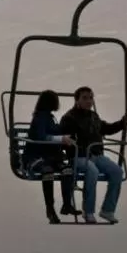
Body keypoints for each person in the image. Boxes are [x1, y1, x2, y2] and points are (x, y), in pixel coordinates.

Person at [59, 86, 127, 224]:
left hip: (97, 155)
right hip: (79, 157)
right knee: (92, 171)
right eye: (85, 98)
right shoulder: (69, 118)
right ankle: (88, 211)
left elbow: (107, 129)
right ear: (77, 100)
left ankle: (107, 210)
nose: (88, 101)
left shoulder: (94, 116)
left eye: (91, 98)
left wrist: (122, 124)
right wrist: (74, 147)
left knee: (117, 171)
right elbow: (64, 139)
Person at [22, 90, 81, 224]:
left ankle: (66, 204)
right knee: (47, 172)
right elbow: (41, 137)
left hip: (51, 157)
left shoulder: (50, 118)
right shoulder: (40, 118)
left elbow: (57, 132)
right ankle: (50, 209)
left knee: (67, 170)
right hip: (36, 157)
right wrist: (61, 138)